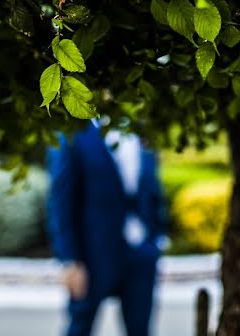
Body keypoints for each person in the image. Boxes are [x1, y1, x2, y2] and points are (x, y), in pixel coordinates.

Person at [47, 118, 167, 336]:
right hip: (92, 254)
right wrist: (70, 260)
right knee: (80, 327)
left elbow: (152, 189)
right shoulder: (74, 132)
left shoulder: (139, 128)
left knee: (141, 330)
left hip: (141, 252)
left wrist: (156, 239)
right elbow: (61, 201)